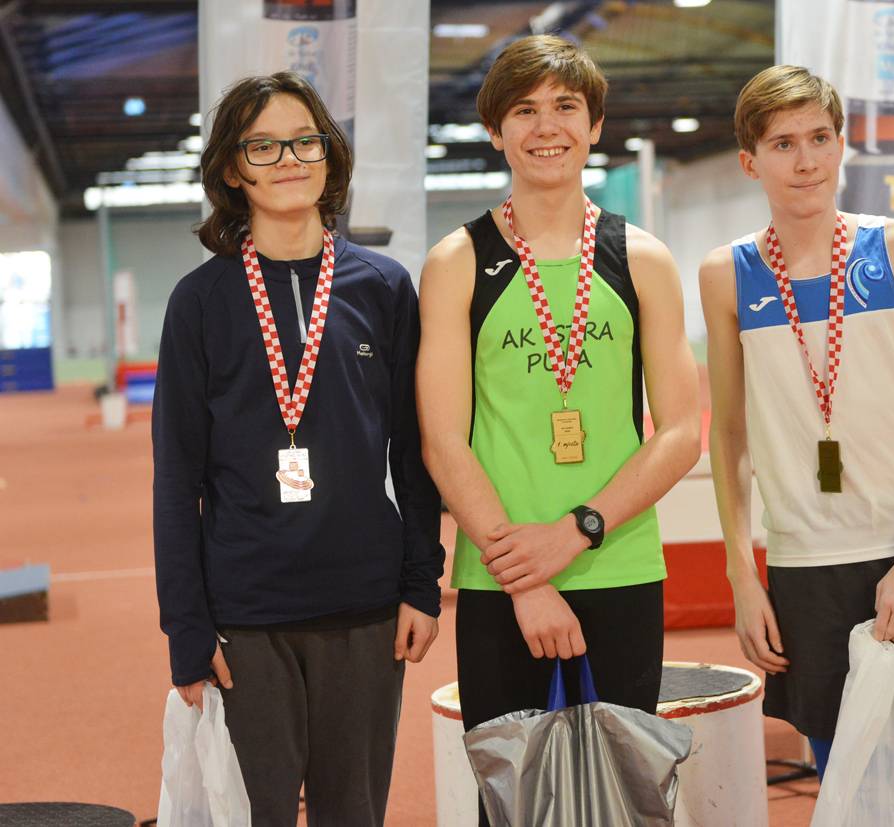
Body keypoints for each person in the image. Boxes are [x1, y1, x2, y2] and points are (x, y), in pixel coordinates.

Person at [698, 65, 894, 824]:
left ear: (841, 145)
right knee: (851, 790)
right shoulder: (727, 274)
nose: (805, 160)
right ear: (750, 161)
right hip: (805, 567)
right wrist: (742, 574)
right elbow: (728, 433)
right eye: (783, 144)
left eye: (819, 138)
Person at [415, 34, 700, 824]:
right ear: (495, 130)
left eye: (565, 107)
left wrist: (579, 529)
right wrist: (527, 576)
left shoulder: (641, 259)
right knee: (512, 802)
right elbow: (442, 440)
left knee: (626, 798)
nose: (546, 127)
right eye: (524, 111)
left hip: (618, 564)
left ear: (594, 125)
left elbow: (680, 430)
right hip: (500, 578)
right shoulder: (456, 262)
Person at [152, 71, 444, 826]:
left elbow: (414, 453)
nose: (288, 159)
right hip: (245, 614)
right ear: (232, 168)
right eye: (263, 145)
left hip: (365, 607)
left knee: (355, 813)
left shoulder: (383, 286)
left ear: (328, 154)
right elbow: (176, 477)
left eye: (304, 141)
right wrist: (186, 627)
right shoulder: (199, 303)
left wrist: (421, 582)